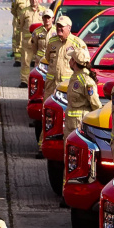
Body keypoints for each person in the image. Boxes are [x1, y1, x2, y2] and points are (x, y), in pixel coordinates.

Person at [40, 16, 88, 157]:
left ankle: (68, 145)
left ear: (69, 28)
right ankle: (43, 144)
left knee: (67, 118)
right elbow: (48, 59)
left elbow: (85, 63)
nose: (59, 28)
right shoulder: (52, 41)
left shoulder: (77, 43)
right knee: (47, 116)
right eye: (58, 26)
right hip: (51, 86)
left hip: (68, 89)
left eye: (62, 26)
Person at [64, 49, 101, 136]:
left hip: (79, 124)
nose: (69, 60)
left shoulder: (86, 81)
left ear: (74, 62)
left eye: (71, 58)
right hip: (70, 124)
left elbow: (95, 104)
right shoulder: (75, 77)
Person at [17, 0, 43, 85]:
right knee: (25, 62)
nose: (34, 0)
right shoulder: (24, 11)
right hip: (27, 42)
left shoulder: (43, 11)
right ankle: (24, 81)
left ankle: (39, 81)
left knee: (40, 62)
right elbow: (20, 26)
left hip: (40, 43)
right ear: (29, 0)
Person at [10, 0, 33, 66]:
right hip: (19, 23)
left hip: (30, 23)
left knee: (31, 41)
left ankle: (32, 60)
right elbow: (13, 10)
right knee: (18, 40)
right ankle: (18, 60)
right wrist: (19, 18)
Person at [28, 9, 56, 76]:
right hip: (40, 62)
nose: (47, 19)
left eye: (48, 17)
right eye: (45, 17)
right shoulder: (37, 32)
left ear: (52, 19)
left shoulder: (56, 31)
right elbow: (34, 47)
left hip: (52, 62)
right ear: (42, 18)